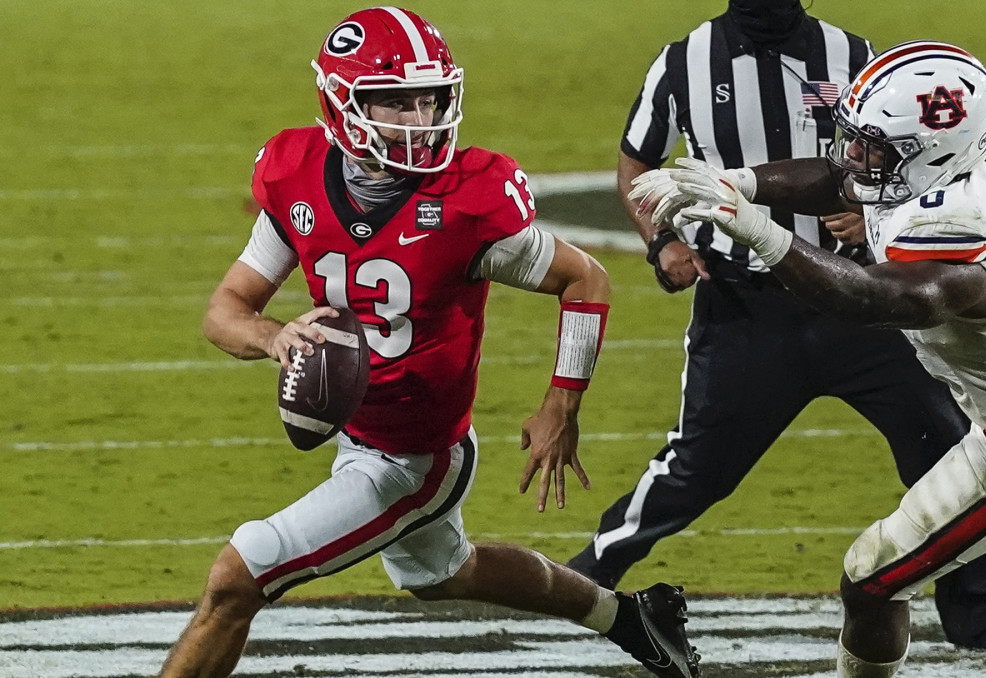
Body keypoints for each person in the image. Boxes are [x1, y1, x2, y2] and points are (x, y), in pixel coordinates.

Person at [157, 8, 700, 678]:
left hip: (414, 457)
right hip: (361, 427)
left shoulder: (469, 199)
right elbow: (226, 310)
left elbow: (583, 278)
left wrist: (562, 404)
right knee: (447, 572)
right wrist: (276, 337)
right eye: (394, 103)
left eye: (429, 99)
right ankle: (633, 619)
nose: (419, 120)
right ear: (341, 105)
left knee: (238, 576)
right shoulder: (295, 175)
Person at [632, 39, 986, 678]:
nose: (854, 158)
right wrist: (740, 181)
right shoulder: (947, 158)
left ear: (928, 151)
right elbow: (839, 178)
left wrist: (761, 232)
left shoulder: (959, 217)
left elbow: (881, 299)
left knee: (871, 582)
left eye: (872, 146)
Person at [567, 0, 986, 656]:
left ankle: (978, 617)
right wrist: (663, 242)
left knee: (945, 450)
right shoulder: (683, 62)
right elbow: (636, 164)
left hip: (858, 304)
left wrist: (871, 216)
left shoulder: (854, 55)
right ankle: (586, 576)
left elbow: (912, 159)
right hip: (746, 310)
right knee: (697, 470)